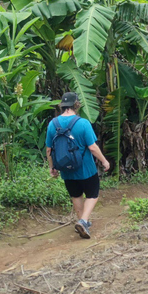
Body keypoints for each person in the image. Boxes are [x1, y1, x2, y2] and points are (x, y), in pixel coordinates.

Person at [46, 92, 110, 239]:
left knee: (76, 195)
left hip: (65, 169)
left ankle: (83, 223)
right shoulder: (83, 123)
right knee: (93, 194)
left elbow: (49, 149)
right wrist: (104, 161)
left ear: (62, 106)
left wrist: (52, 167)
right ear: (77, 105)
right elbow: (92, 147)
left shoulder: (52, 124)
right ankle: (83, 221)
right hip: (86, 169)